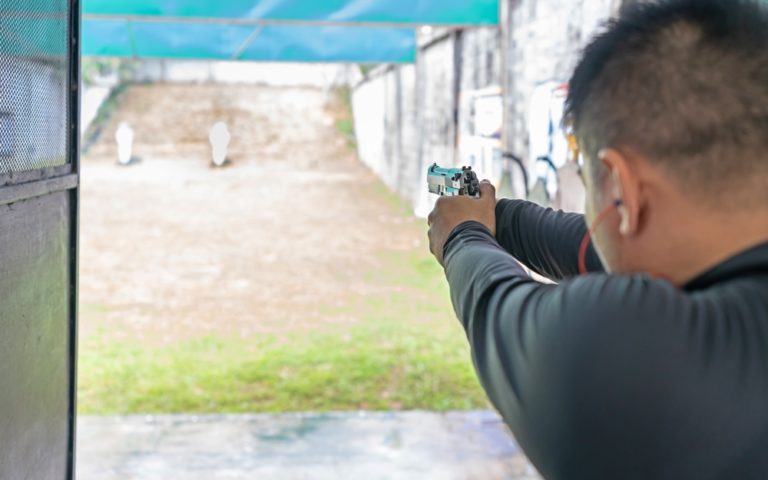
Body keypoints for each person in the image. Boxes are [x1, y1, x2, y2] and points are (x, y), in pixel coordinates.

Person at [426, 1, 768, 479]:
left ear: (623, 188)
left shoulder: (639, 353)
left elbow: (499, 308)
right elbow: (592, 249)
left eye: (589, 183)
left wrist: (462, 235)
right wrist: (493, 216)